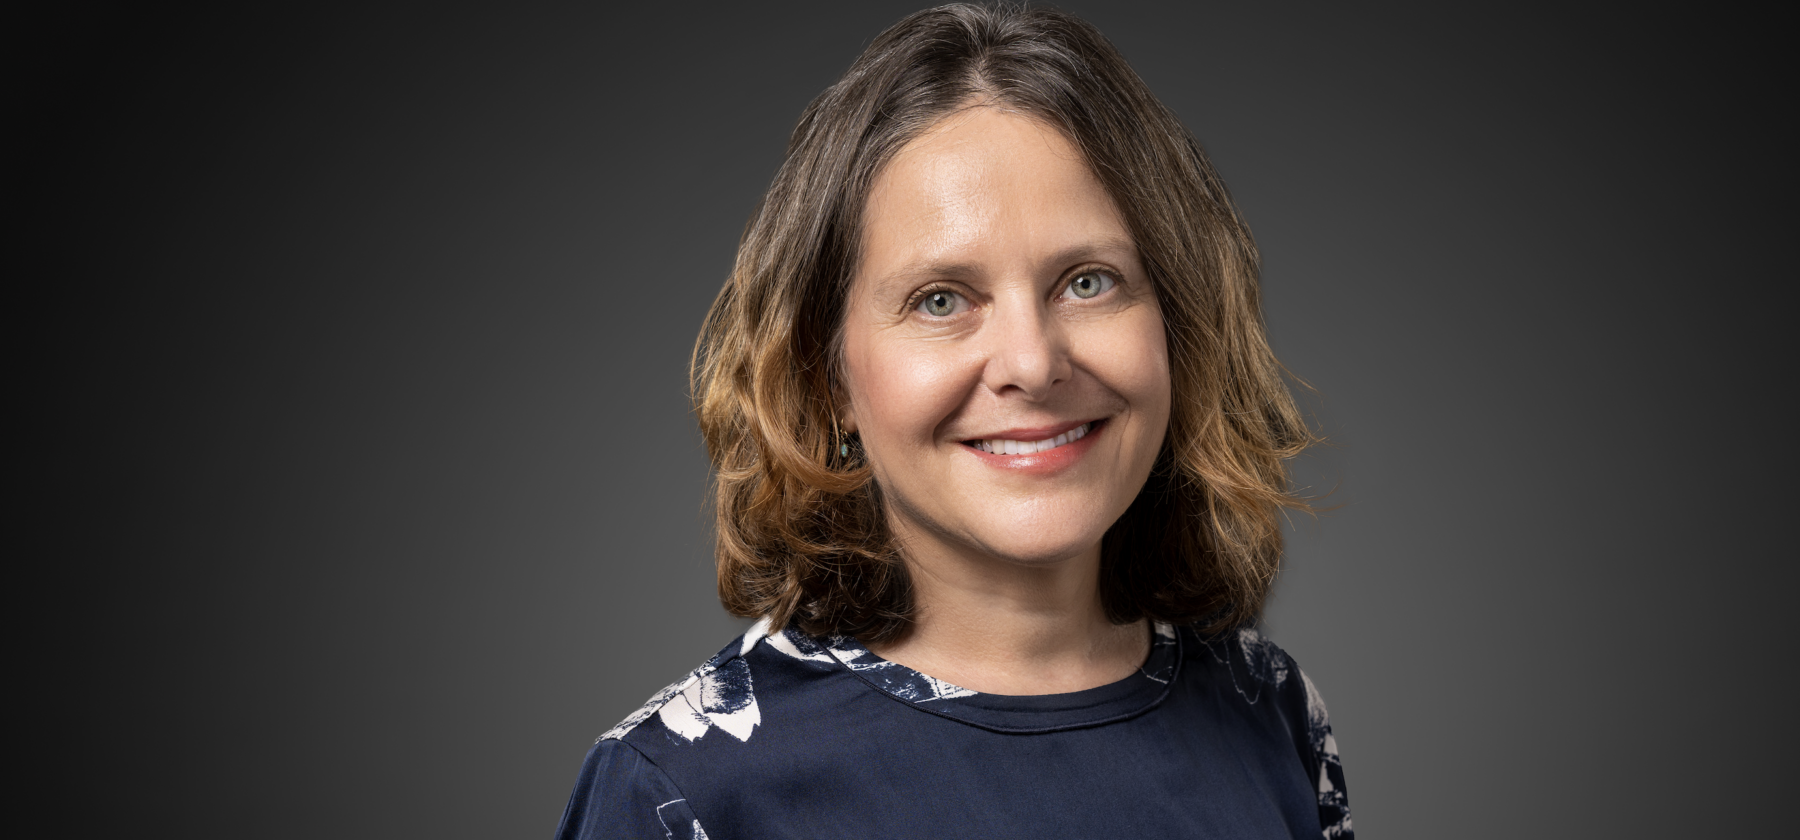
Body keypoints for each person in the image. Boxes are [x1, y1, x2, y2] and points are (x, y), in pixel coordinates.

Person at [555, 5, 1351, 838]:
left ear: (1178, 325)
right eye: (941, 300)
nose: (1033, 363)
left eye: (1088, 282)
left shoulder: (1271, 713)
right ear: (824, 377)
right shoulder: (682, 788)